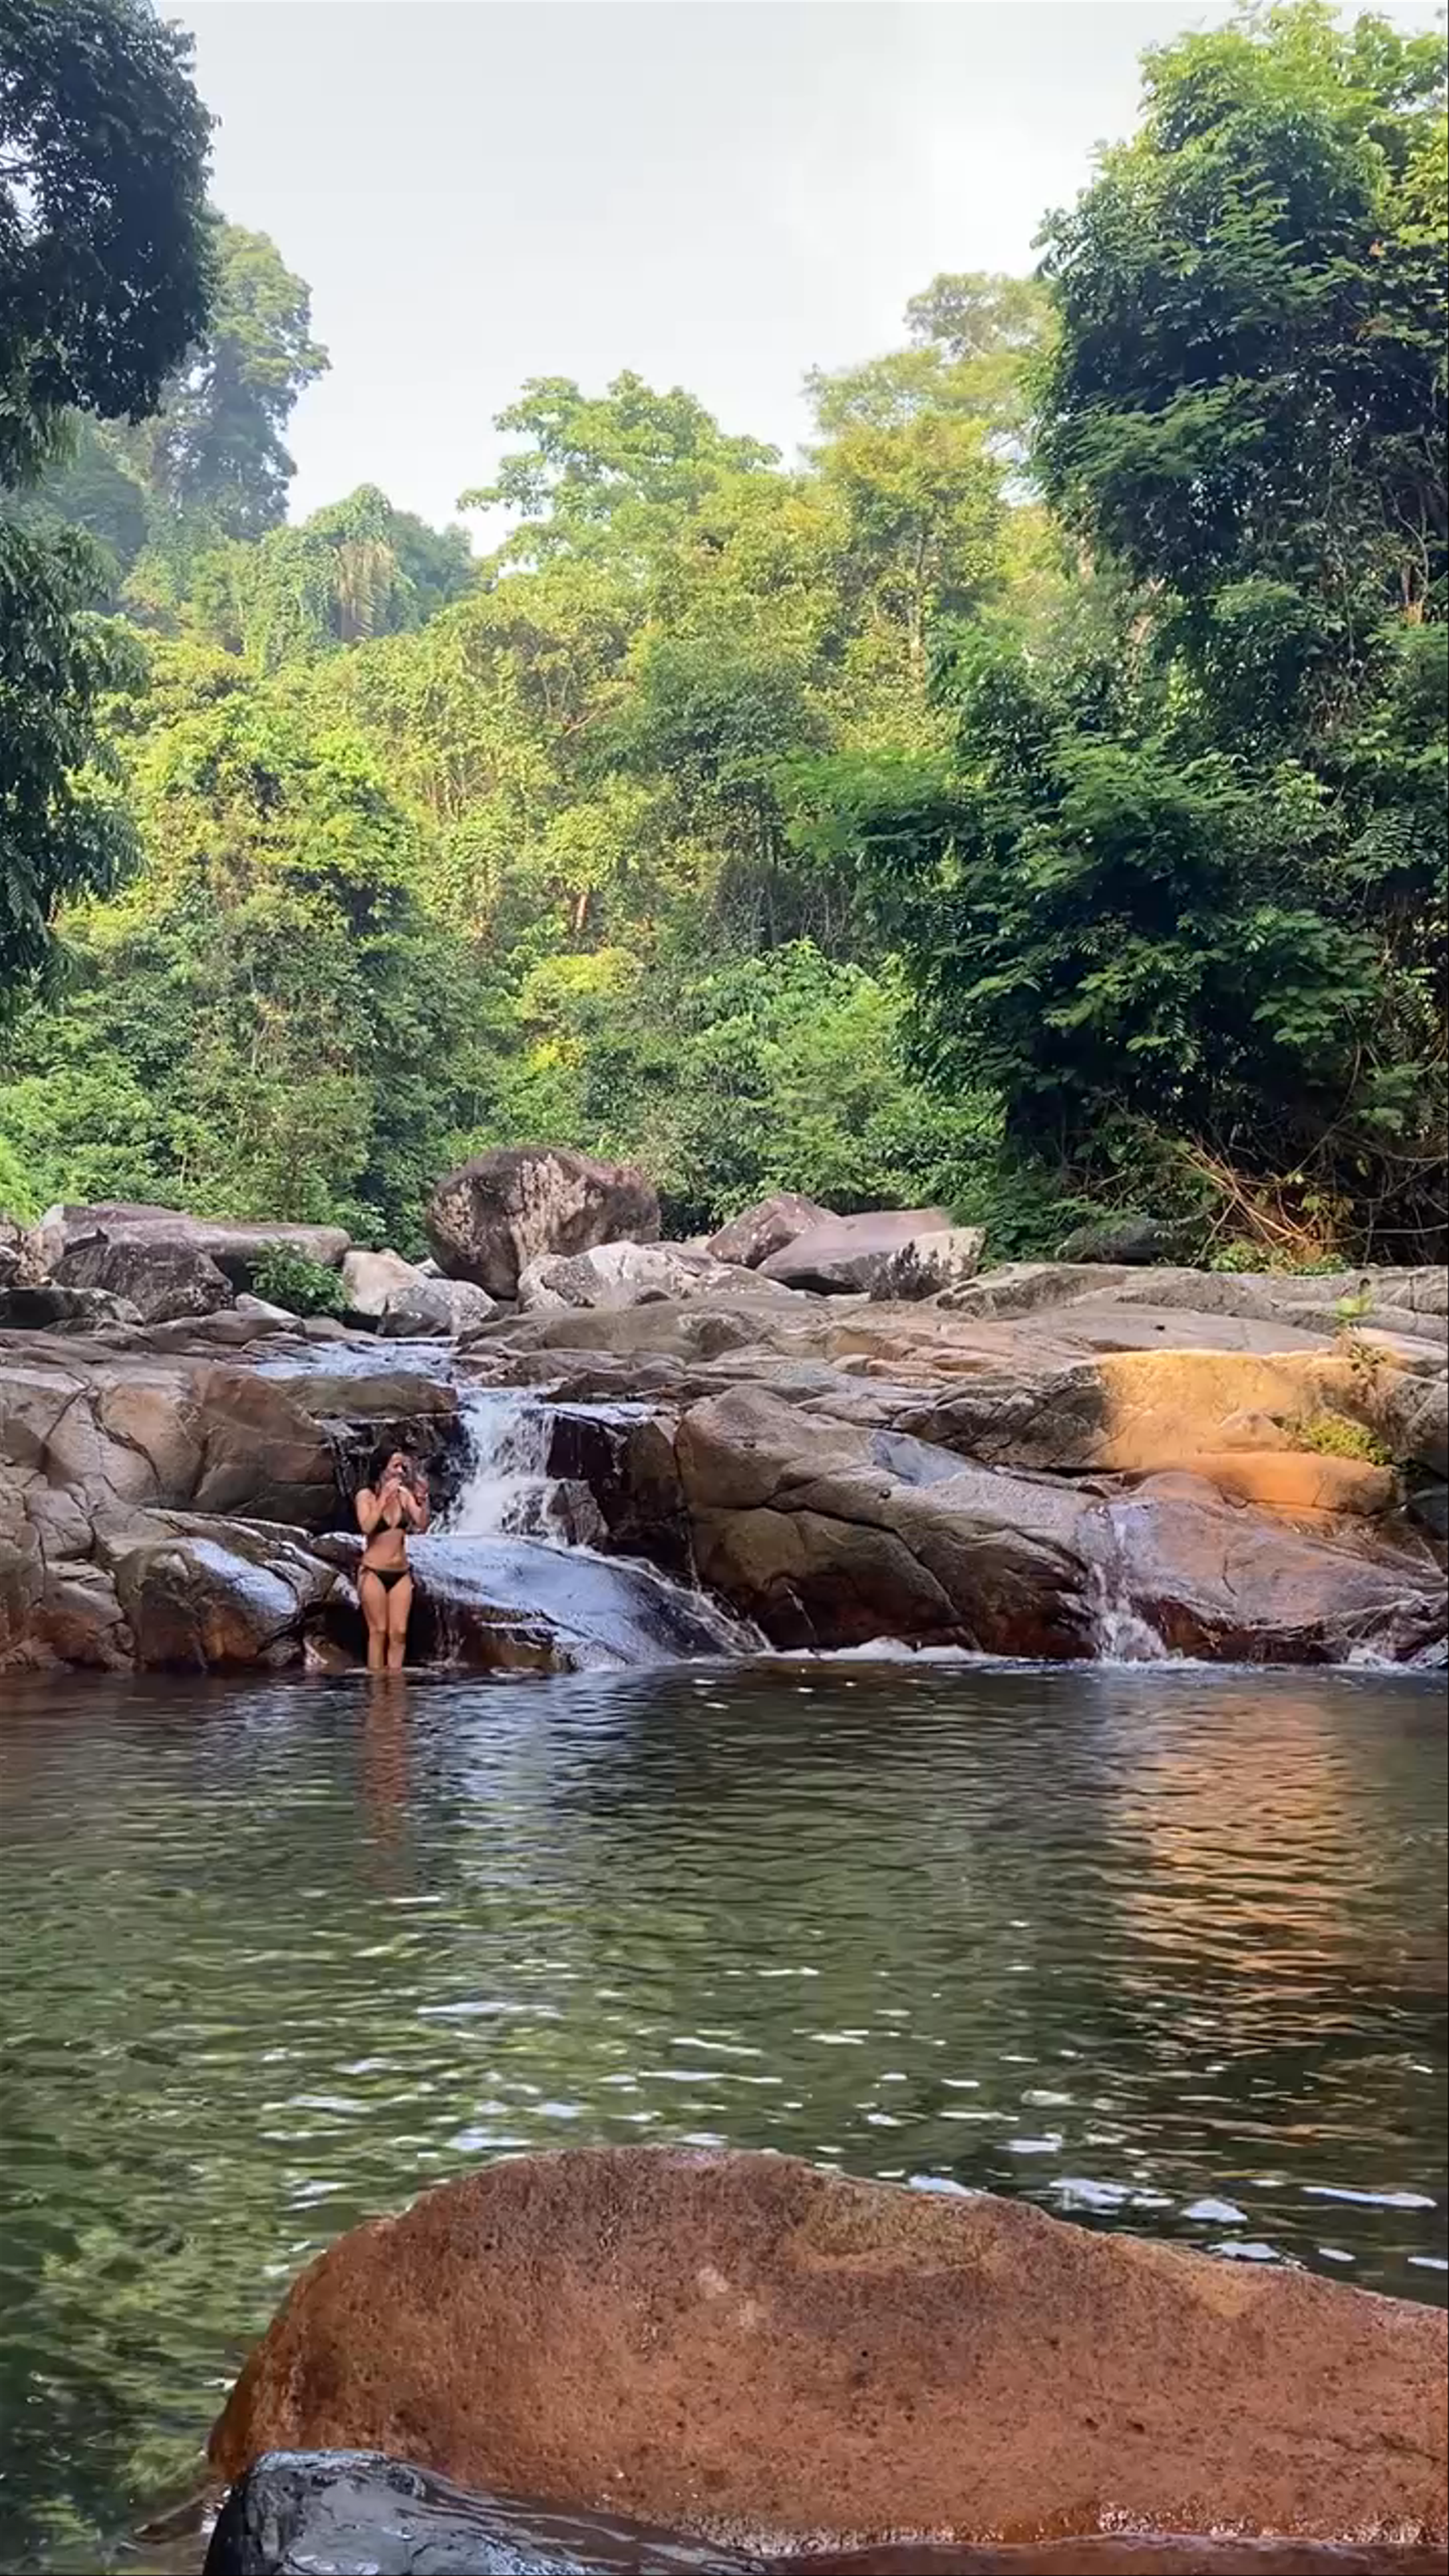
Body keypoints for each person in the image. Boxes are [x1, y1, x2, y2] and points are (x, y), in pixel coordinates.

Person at [355, 1447, 429, 1673]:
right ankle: (377, 1684)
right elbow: (367, 1526)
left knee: (399, 1633)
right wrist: (384, 1498)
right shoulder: (365, 1496)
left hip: (401, 1573)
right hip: (373, 1571)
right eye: (395, 1466)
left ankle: (396, 1685)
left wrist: (424, 1500)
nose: (401, 1471)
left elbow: (422, 1524)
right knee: (378, 1631)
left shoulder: (404, 1495)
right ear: (382, 1468)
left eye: (403, 1467)